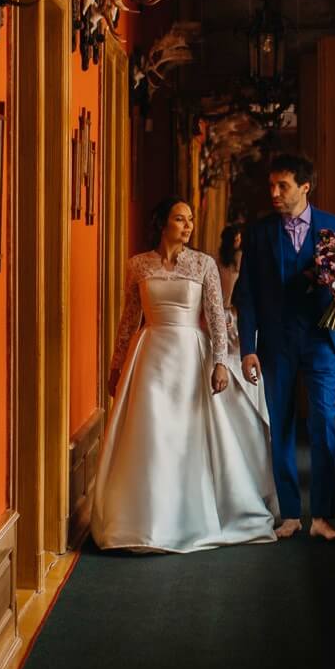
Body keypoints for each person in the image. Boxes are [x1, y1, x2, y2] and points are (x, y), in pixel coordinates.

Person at [88, 198, 276, 553]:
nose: (188, 226)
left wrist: (220, 361)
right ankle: (145, 521)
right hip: (149, 356)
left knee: (189, 433)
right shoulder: (138, 266)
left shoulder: (203, 264)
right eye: (179, 219)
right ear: (162, 223)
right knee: (152, 433)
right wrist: (116, 366)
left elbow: (216, 316)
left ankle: (192, 515)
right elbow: (130, 320)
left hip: (191, 354)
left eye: (190, 220)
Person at [234, 153, 335, 541]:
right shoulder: (259, 233)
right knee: (279, 425)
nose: (275, 193)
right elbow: (245, 294)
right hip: (275, 342)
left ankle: (322, 516)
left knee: (323, 423)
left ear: (305, 187)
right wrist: (246, 347)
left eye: (282, 186)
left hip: (320, 340)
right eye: (272, 186)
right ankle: (289, 514)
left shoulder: (334, 228)